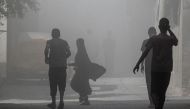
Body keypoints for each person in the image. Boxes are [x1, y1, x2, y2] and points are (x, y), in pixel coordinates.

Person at [133, 18, 178, 109]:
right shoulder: (170, 39)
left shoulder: (154, 39)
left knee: (154, 91)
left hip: (156, 69)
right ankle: (159, 106)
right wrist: (169, 29)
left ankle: (157, 105)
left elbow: (145, 52)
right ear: (167, 27)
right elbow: (176, 41)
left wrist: (137, 64)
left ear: (159, 27)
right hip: (166, 70)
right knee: (162, 92)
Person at [44, 28, 71, 109]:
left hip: (53, 67)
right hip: (62, 67)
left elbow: (46, 50)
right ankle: (61, 102)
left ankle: (53, 103)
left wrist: (47, 58)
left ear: (52, 34)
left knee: (53, 84)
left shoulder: (49, 42)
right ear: (59, 34)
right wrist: (63, 58)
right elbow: (69, 53)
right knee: (62, 84)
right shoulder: (64, 42)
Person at [69, 38, 92, 105]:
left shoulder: (81, 52)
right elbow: (79, 63)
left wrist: (73, 65)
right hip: (80, 73)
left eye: (77, 43)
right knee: (81, 85)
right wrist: (72, 65)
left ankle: (83, 98)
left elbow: (80, 63)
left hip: (81, 73)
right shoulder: (82, 52)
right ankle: (84, 98)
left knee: (74, 84)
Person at [140, 27, 157, 108]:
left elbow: (143, 54)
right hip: (155, 66)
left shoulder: (145, 42)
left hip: (150, 66)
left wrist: (141, 65)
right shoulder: (158, 41)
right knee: (154, 84)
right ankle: (153, 102)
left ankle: (152, 102)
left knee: (149, 84)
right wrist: (141, 65)